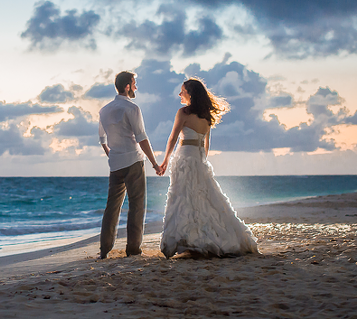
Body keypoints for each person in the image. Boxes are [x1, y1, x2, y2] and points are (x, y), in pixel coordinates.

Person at [158, 77, 258, 258]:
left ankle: (187, 239)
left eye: (182, 91)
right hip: (198, 159)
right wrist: (202, 161)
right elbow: (206, 144)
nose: (180, 94)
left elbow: (172, 138)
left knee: (183, 197)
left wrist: (165, 160)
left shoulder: (183, 112)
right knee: (205, 197)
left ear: (190, 94)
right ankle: (202, 238)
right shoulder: (206, 116)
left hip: (184, 159)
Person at [98, 71, 162, 259]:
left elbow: (102, 138)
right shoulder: (132, 108)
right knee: (137, 205)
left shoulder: (104, 110)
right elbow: (141, 138)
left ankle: (104, 249)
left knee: (112, 206)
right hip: (134, 161)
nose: (136, 87)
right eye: (134, 83)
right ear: (127, 86)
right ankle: (133, 249)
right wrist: (155, 163)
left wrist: (111, 154)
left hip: (115, 163)